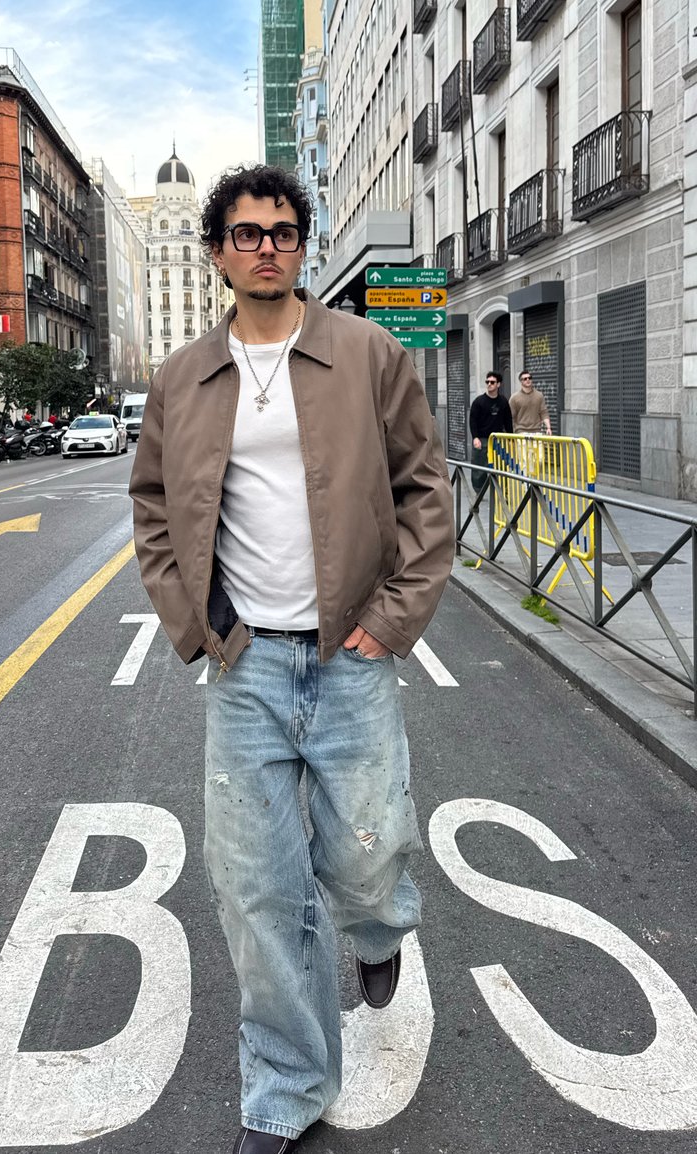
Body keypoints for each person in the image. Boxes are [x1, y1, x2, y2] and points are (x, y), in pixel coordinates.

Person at [129, 164, 454, 1154]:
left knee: (364, 854)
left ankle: (377, 930)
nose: (263, 245)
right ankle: (284, 1085)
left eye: (279, 230)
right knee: (256, 886)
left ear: (300, 244)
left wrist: (390, 619)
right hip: (243, 666)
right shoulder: (183, 376)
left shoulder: (364, 353)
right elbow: (151, 508)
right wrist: (196, 624)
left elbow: (424, 493)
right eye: (243, 232)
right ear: (218, 251)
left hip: (350, 654)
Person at [468, 370, 513, 490]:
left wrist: (510, 438)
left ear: (498, 384)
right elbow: (473, 421)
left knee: (501, 466)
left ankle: (502, 491)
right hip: (482, 439)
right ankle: (478, 492)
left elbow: (508, 420)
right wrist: (475, 437)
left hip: (498, 439)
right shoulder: (478, 402)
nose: (489, 384)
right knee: (479, 468)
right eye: (487, 382)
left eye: (492, 382)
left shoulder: (503, 402)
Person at [509, 368, 552, 434]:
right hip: (521, 431)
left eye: (529, 378)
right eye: (525, 379)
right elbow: (511, 416)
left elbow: (544, 412)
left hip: (537, 431)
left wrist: (548, 428)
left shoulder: (539, 395)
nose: (528, 380)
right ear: (521, 381)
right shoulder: (514, 398)